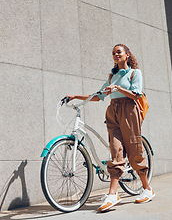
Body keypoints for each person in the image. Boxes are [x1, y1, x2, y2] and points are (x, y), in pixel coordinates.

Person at [65, 44, 155, 212]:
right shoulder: (112, 77)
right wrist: (76, 96)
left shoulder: (135, 73)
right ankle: (113, 194)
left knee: (134, 151)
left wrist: (118, 88)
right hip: (112, 112)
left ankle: (147, 189)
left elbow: (137, 94)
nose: (115, 55)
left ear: (127, 55)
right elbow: (98, 96)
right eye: (113, 53)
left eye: (119, 52)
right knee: (116, 151)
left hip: (129, 110)